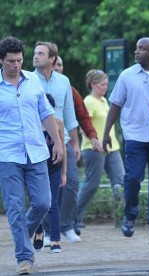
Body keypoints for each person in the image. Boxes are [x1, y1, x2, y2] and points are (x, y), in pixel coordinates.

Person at [0, 36, 63, 274]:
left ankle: (22, 238)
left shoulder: (34, 80)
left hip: (36, 152)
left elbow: (46, 114)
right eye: (10, 61)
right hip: (6, 155)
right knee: (15, 207)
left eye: (19, 60)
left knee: (43, 202)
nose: (16, 65)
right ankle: (24, 258)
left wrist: (57, 144)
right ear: (1, 61)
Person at [102, 37, 149, 239]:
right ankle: (130, 215)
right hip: (134, 136)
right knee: (133, 178)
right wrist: (107, 132)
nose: (136, 52)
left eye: (142, 49)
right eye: (136, 48)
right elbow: (115, 105)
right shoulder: (126, 76)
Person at [33, 41, 82, 243]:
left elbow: (70, 116)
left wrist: (76, 143)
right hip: (37, 141)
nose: (35, 56)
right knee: (43, 188)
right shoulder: (28, 80)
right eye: (35, 53)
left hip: (63, 139)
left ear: (52, 58)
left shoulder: (64, 81)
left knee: (71, 182)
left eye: (40, 53)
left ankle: (67, 226)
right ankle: (44, 230)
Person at [75, 69, 125, 229]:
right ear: (93, 85)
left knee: (121, 181)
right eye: (103, 84)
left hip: (112, 148)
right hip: (93, 149)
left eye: (106, 84)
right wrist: (95, 141)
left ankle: (122, 218)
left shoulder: (104, 100)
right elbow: (83, 126)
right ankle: (73, 217)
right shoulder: (88, 101)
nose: (106, 87)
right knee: (92, 183)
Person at [33, 94, 68, 254]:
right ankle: (39, 232)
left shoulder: (58, 123)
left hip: (55, 167)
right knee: (38, 203)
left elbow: (63, 149)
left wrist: (64, 173)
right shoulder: (32, 123)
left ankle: (55, 240)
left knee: (53, 203)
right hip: (37, 167)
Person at [53, 56, 101, 154]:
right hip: (41, 143)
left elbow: (83, 116)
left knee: (71, 170)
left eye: (59, 65)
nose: (57, 68)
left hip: (66, 142)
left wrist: (92, 136)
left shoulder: (70, 90)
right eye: (54, 64)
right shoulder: (36, 85)